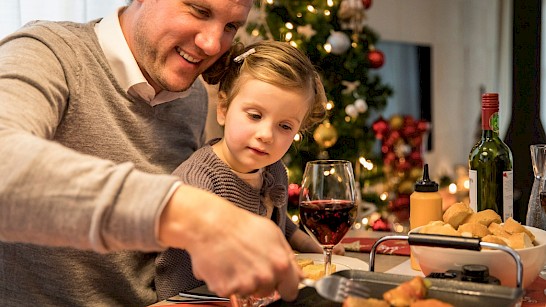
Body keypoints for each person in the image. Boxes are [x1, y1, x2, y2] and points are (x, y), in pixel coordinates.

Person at [0, 0, 303, 305]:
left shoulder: (193, 96)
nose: (212, 45)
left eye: (231, 26)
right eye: (198, 10)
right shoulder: (46, 52)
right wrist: (195, 215)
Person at [154, 40, 344, 300]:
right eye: (255, 116)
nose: (266, 135)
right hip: (192, 297)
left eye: (285, 126)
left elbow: (279, 222)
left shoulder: (274, 170)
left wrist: (306, 243)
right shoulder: (199, 179)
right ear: (223, 110)